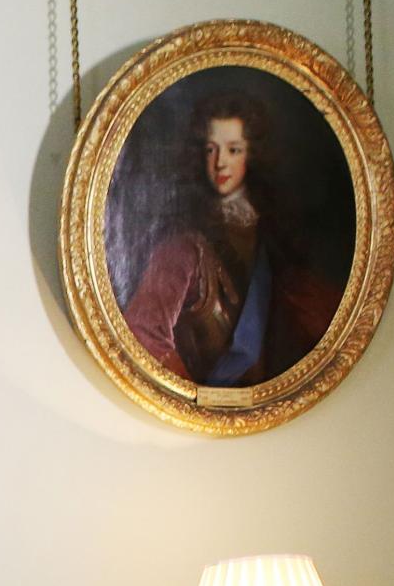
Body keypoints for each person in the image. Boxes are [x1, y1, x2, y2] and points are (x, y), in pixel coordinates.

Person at [120, 91, 342, 386]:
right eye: (211, 150)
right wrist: (196, 401)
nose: (220, 163)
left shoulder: (274, 235)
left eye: (233, 150)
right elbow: (143, 332)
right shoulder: (184, 245)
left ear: (253, 154)